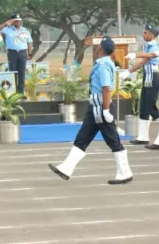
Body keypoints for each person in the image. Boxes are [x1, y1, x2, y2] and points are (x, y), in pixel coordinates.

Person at [49, 37, 133, 185]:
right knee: (83, 137)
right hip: (95, 107)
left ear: (100, 49)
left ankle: (125, 172)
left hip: (100, 106)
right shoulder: (105, 64)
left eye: (98, 47)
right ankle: (66, 168)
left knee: (112, 139)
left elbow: (106, 88)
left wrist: (106, 110)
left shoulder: (103, 66)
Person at [126, 25, 159, 145]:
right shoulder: (148, 46)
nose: (144, 35)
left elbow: (142, 62)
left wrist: (128, 72)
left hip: (152, 77)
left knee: (150, 106)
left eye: (146, 33)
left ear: (152, 34)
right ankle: (143, 137)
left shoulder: (154, 47)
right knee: (144, 108)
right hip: (148, 77)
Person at [0, 14, 32, 94]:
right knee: (12, 72)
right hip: (12, 53)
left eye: (20, 20)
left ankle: (20, 93)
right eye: (16, 21)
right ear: (13, 22)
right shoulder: (7, 29)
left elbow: (29, 42)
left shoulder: (25, 30)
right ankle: (13, 92)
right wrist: (6, 23)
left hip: (22, 53)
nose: (19, 22)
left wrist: (29, 53)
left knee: (22, 73)